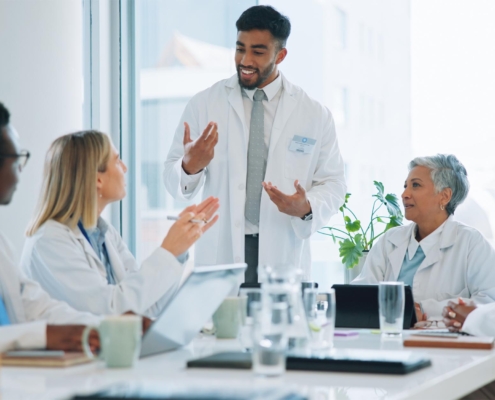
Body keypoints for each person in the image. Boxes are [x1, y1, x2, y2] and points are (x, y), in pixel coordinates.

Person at [163, 5, 346, 283]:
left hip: (283, 250)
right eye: (240, 48)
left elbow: (334, 184)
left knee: (278, 324)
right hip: (222, 249)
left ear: (280, 55)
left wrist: (307, 207)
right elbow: (173, 182)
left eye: (258, 52)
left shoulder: (314, 114)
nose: (245, 60)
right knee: (224, 326)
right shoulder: (205, 104)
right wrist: (190, 167)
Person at [21, 130, 219, 317]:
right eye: (117, 161)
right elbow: (111, 311)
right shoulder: (49, 242)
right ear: (98, 179)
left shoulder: (104, 234)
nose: (124, 168)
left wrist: (179, 250)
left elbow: (148, 306)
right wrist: (168, 250)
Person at [0, 102, 101, 352]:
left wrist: (106, 327)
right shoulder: (48, 238)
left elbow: (35, 305)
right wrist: (41, 336)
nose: (21, 168)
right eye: (16, 158)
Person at [353, 154, 495, 319]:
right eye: (405, 186)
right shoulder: (389, 241)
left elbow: (489, 303)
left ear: (445, 196)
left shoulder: (471, 243)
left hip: (445, 341)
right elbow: (360, 296)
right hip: (390, 339)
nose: (404, 194)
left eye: (415, 185)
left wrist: (425, 310)